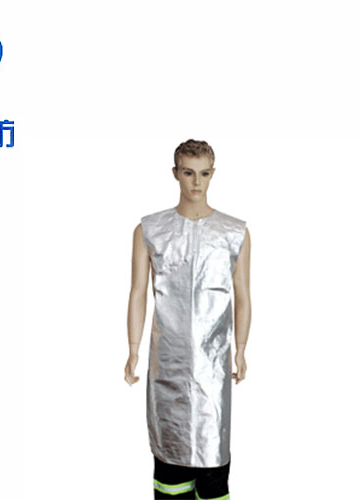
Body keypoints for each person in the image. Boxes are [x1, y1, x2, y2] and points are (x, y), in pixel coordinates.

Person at [124, 139, 251, 499]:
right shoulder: (150, 229)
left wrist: (240, 349)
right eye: (188, 173)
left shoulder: (234, 232)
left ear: (213, 174)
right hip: (168, 362)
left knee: (213, 455)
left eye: (204, 174)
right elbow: (138, 292)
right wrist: (133, 349)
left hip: (213, 364)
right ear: (175, 173)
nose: (197, 182)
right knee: (169, 456)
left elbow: (243, 295)